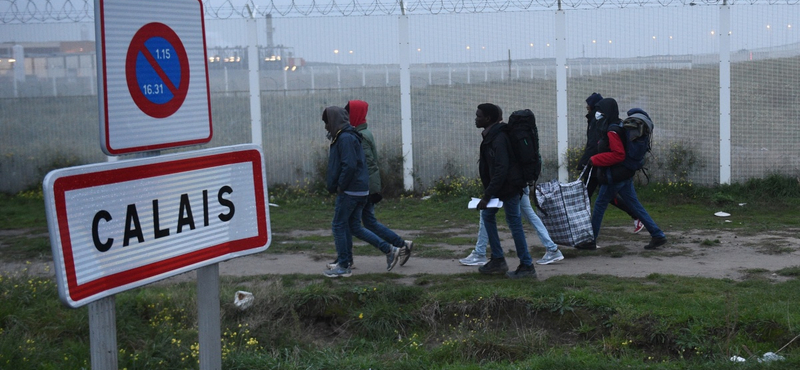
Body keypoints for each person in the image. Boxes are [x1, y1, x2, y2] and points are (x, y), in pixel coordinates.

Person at [325, 100, 412, 269]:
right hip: (363, 186)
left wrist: (349, 185)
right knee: (356, 225)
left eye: (348, 113)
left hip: (361, 187)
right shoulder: (359, 132)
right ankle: (348, 258)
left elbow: (362, 164)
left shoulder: (357, 135)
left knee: (357, 224)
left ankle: (397, 246)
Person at [588, 99, 667, 250]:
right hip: (626, 173)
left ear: (607, 112)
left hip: (615, 175)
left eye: (601, 111)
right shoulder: (620, 125)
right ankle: (657, 235)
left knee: (599, 204)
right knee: (634, 205)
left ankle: (591, 240)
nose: (598, 114)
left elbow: (618, 155)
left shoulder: (612, 130)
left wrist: (595, 159)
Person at [473, 103, 537, 279]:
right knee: (489, 216)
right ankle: (498, 259)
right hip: (503, 186)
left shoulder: (498, 138)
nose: (476, 118)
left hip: (508, 187)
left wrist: (487, 195)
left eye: (479, 116)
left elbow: (501, 168)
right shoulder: (493, 135)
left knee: (514, 223)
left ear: (488, 119)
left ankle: (526, 265)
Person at [577, 92, 644, 235]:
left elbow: (595, 146)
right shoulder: (597, 121)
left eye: (588, 105)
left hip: (597, 163)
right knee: (607, 197)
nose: (587, 108)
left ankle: (587, 232)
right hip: (598, 163)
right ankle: (640, 218)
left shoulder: (601, 123)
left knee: (592, 197)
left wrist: (587, 161)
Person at [459, 186, 564, 266]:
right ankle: (552, 249)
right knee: (529, 215)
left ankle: (480, 253)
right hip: (520, 185)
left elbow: (502, 167)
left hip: (506, 186)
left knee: (486, 213)